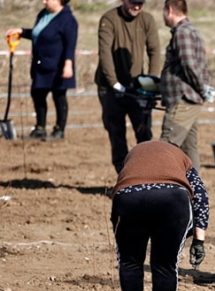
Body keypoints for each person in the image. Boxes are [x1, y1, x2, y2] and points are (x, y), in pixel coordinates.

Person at [111, 141, 209, 291]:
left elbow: (123, 180)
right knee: (165, 264)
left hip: (129, 199)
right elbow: (200, 195)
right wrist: (199, 240)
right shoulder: (182, 157)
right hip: (172, 199)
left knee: (130, 261)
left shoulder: (134, 153)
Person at [95, 0, 162, 173]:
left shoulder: (147, 20)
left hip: (136, 84)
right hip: (110, 87)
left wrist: (151, 83)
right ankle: (124, 175)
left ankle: (146, 174)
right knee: (116, 132)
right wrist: (114, 83)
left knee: (144, 131)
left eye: (141, 3)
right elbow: (105, 54)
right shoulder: (108, 19)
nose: (137, 7)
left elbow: (154, 50)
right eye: (133, 2)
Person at [5, 0, 78, 140]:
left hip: (58, 66)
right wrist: (22, 31)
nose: (44, 1)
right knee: (37, 94)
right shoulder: (43, 14)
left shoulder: (68, 20)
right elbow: (39, 33)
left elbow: (70, 44)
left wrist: (68, 64)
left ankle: (59, 130)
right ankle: (40, 127)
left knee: (59, 96)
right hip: (41, 65)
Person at [160, 0, 213, 170]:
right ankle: (196, 192)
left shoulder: (182, 33)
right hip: (189, 100)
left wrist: (202, 88)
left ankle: (158, 191)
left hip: (183, 101)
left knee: (166, 147)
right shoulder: (190, 31)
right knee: (189, 150)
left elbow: (189, 65)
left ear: (169, 10)